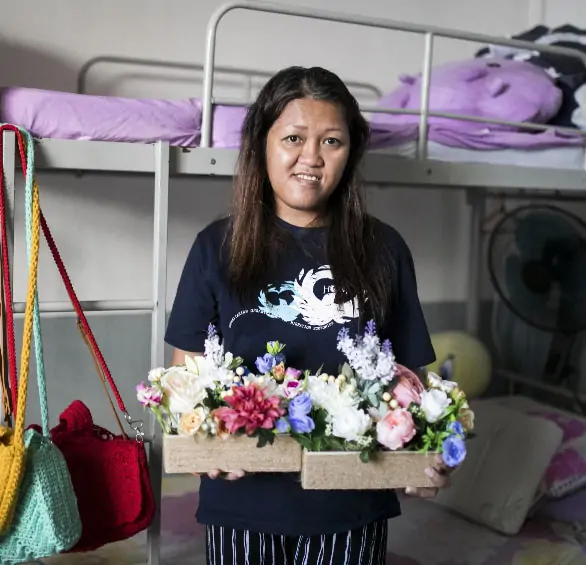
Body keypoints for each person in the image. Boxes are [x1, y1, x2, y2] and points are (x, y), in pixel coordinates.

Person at [165, 66, 455, 565]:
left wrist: (430, 455)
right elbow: (183, 381)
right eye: (294, 138)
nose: (311, 158)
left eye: (332, 142)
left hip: (352, 503)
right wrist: (201, 447)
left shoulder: (385, 249)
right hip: (242, 504)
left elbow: (412, 384)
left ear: (351, 152)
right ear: (262, 144)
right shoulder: (216, 247)